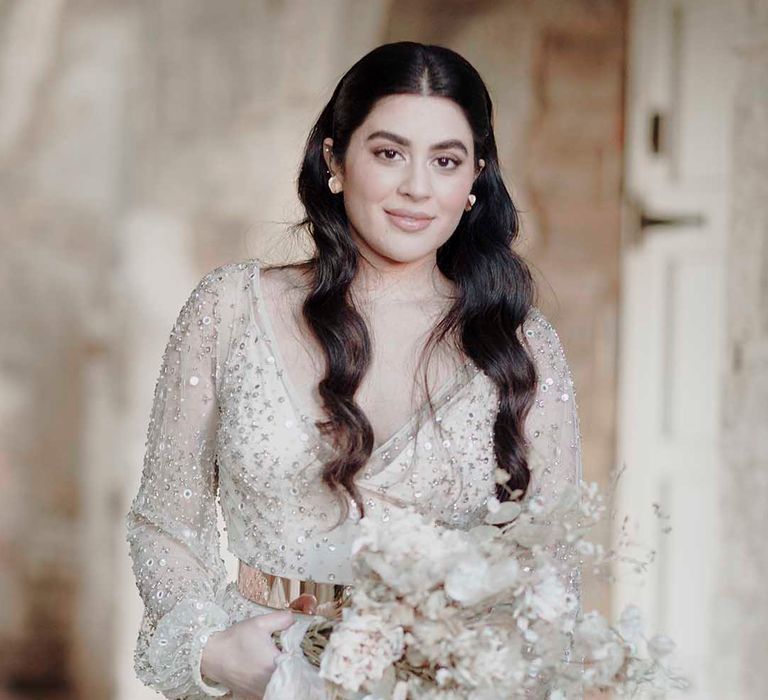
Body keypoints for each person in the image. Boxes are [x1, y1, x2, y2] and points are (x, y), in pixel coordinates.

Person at [125, 41, 583, 700]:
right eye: (389, 153)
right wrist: (216, 652)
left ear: (475, 180)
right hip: (263, 676)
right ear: (335, 159)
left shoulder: (522, 345)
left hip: (438, 686)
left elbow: (551, 574)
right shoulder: (231, 308)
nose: (417, 188)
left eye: (446, 161)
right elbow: (166, 523)